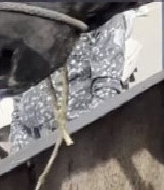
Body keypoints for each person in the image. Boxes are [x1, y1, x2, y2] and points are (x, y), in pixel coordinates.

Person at [8, 13, 128, 152]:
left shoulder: (103, 16)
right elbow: (18, 99)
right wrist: (19, 153)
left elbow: (107, 92)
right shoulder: (33, 22)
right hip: (33, 144)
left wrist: (89, 145)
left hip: (77, 143)